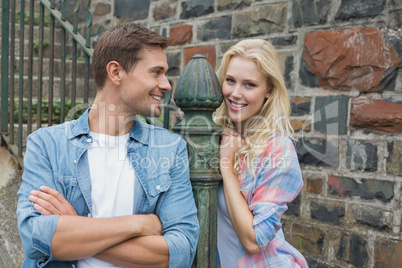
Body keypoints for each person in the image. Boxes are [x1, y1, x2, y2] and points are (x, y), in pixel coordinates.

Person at [17, 23, 199, 268]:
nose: (166, 85)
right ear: (115, 72)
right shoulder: (47, 144)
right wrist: (140, 224)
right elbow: (35, 239)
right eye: (156, 72)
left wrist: (76, 227)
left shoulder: (168, 147)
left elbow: (180, 251)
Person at [214, 39, 308, 267]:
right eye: (230, 81)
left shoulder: (278, 152)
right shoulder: (211, 136)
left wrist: (227, 168)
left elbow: (254, 241)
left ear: (269, 91)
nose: (235, 93)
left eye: (249, 85)